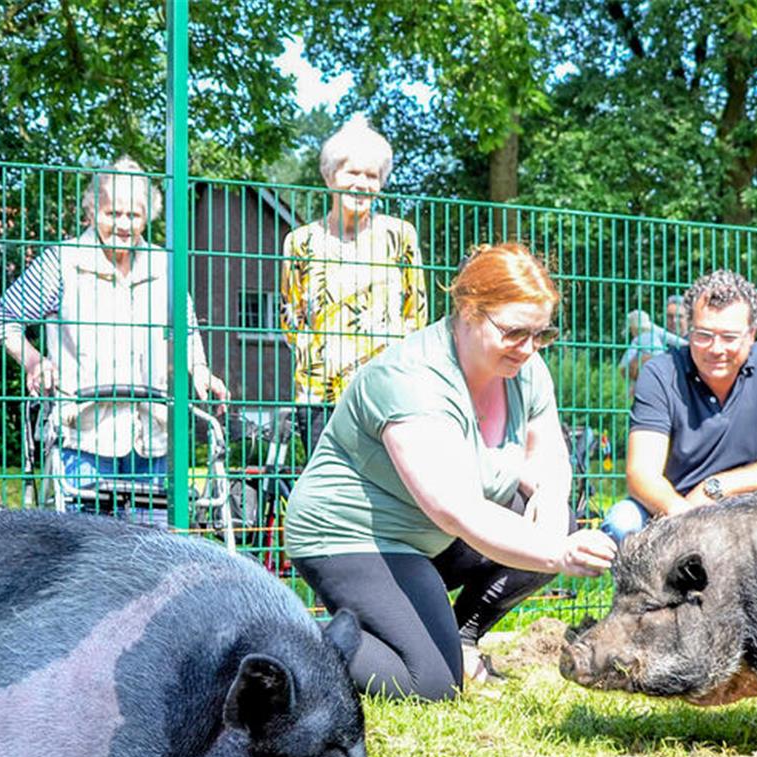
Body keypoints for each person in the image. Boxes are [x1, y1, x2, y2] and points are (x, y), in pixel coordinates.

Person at [285, 243, 617, 701]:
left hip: (430, 537)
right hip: (357, 538)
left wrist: (552, 504)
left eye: (541, 334)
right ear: (467, 309)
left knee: (551, 521)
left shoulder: (527, 367)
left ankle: (459, 641)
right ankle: (289, 634)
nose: (529, 348)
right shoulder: (410, 379)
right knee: (431, 684)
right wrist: (556, 553)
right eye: (515, 332)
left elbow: (548, 456)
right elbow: (453, 508)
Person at [0, 157, 228, 522]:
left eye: (134, 215)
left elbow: (186, 332)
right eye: (112, 213)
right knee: (87, 554)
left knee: (153, 552)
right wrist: (36, 361)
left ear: (150, 216)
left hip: (151, 435)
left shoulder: (165, 266)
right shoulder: (62, 262)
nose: (123, 225)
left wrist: (201, 370)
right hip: (84, 435)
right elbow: (1, 319)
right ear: (91, 210)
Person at [602, 270, 757, 540]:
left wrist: (716, 487)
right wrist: (687, 520)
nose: (715, 349)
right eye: (703, 334)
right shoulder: (660, 373)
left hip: (756, 506)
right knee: (621, 523)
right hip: (674, 507)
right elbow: (641, 474)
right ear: (688, 329)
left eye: (729, 337)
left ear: (751, 334)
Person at [280, 119, 427, 449]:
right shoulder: (300, 242)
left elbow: (415, 313)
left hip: (385, 389)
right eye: (352, 173)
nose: (361, 184)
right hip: (320, 392)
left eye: (371, 176)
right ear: (330, 176)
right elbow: (290, 318)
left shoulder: (400, 236)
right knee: (328, 490)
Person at [622, 296, 689, 386]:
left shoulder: (694, 343)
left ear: (689, 319)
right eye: (669, 316)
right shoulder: (653, 338)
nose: (674, 320)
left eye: (679, 316)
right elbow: (625, 369)